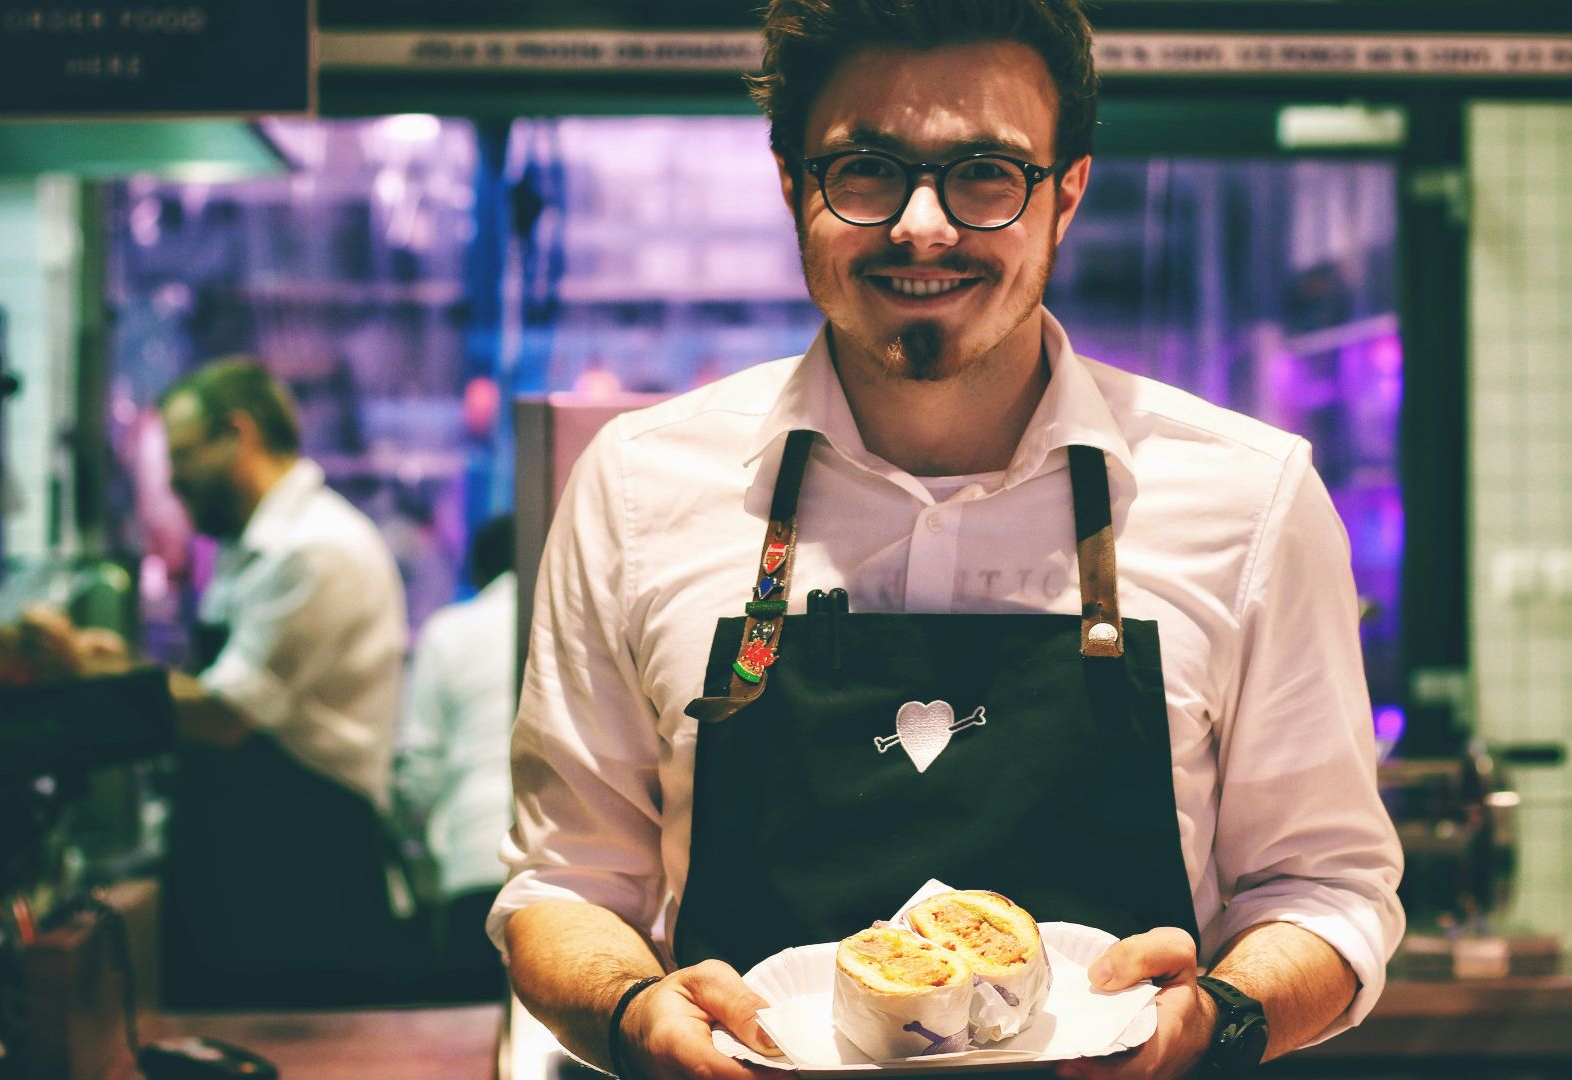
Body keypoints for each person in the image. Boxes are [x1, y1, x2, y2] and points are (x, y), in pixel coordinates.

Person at [492, 3, 1404, 1077]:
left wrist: (1222, 1019)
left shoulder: (1249, 501)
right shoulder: (641, 492)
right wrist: (639, 1011)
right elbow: (566, 884)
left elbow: (1328, 891)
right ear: (792, 186)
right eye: (867, 168)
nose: (924, 225)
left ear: (1066, 193)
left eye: (985, 170)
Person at [154, 357, 412, 1006]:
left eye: (181, 454)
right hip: (257, 861)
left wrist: (94, 685)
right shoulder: (255, 548)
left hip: (303, 872)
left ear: (239, 436)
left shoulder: (314, 547)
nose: (172, 479)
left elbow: (223, 713)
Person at [394, 514, 516, 999]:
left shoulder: (450, 631)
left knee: (472, 1039)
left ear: (478, 573)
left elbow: (418, 771)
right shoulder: (586, 621)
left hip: (473, 861)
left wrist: (421, 866)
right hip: (576, 884)